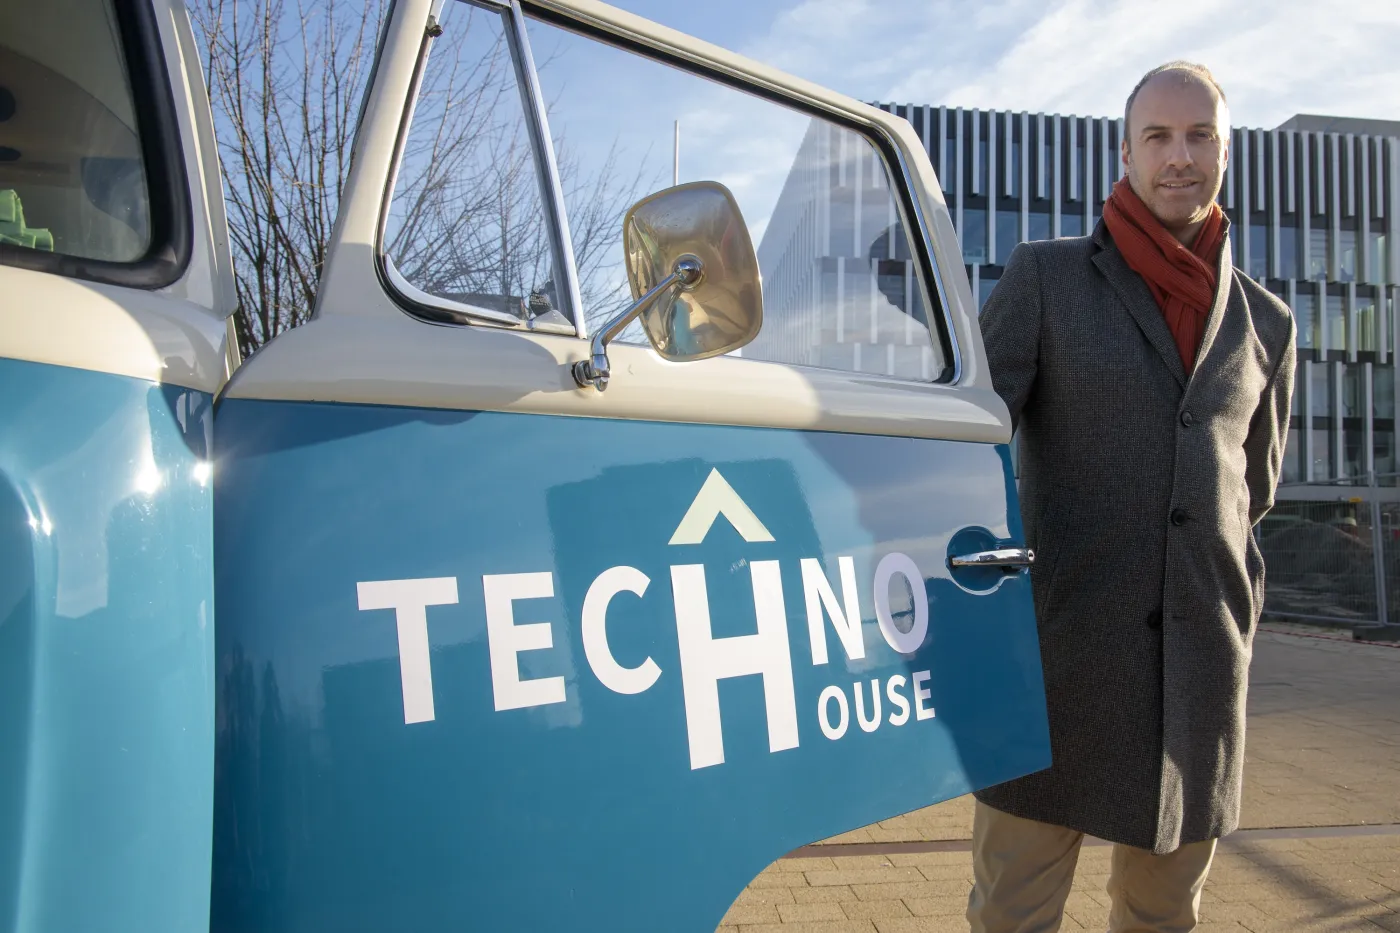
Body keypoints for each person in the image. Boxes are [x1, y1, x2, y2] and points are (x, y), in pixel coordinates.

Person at [970, 61, 1296, 933]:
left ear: (1225, 151)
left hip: (1199, 675)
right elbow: (969, 441)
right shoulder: (1045, 278)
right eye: (1158, 136)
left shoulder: (1268, 322)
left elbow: (1252, 488)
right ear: (1125, 153)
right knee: (1011, 911)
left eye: (1199, 136)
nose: (1179, 155)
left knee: (1164, 914)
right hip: (1056, 665)